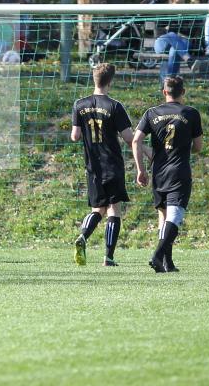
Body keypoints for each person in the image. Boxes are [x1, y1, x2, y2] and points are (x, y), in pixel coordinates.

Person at [71, 63, 149, 267]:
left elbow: (75, 136)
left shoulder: (80, 104)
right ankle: (109, 257)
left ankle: (83, 236)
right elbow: (129, 138)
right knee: (114, 209)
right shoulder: (115, 106)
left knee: (98, 208)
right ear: (110, 81)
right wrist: (149, 152)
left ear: (93, 79)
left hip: (92, 165)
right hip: (112, 163)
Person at [132, 76, 203, 273]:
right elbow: (198, 147)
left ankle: (167, 263)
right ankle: (157, 255)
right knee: (175, 215)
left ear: (164, 92)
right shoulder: (191, 113)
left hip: (158, 172)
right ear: (184, 92)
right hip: (179, 170)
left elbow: (136, 141)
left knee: (163, 215)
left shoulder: (151, 113)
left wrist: (140, 169)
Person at [153, 0, 195, 84]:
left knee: (174, 50)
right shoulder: (166, 9)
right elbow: (159, 30)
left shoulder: (191, 10)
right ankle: (188, 60)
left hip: (183, 43)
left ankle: (167, 83)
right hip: (162, 44)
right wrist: (175, 33)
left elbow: (191, 32)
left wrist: (172, 30)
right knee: (171, 36)